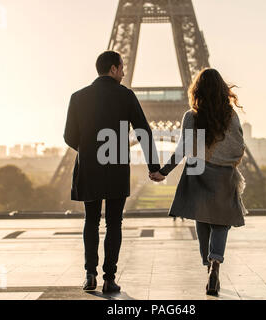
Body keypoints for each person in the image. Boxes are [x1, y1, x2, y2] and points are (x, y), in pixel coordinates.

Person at [64, 51, 162, 293]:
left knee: (91, 221)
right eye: (122, 68)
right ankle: (109, 277)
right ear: (113, 69)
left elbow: (69, 136)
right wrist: (154, 167)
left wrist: (88, 150)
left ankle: (89, 275)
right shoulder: (126, 96)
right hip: (116, 166)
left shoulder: (78, 97)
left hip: (89, 167)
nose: (124, 72)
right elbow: (143, 132)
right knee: (114, 222)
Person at [149, 68, 248, 296]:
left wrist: (163, 171)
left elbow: (183, 148)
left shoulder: (190, 116)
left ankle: (207, 264)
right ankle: (215, 262)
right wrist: (223, 160)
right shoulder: (230, 116)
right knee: (221, 222)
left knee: (202, 218)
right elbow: (238, 145)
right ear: (222, 90)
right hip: (223, 174)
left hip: (197, 171)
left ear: (197, 90)